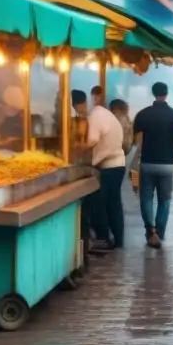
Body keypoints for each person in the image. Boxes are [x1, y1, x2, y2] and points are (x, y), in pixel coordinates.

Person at [129, 82, 173, 249]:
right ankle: (160, 231)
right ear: (166, 94)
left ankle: (150, 231)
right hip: (166, 165)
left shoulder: (143, 115)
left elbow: (138, 142)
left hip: (148, 163)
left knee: (146, 198)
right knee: (165, 199)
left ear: (153, 93)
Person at [73, 89, 126, 250]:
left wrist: (76, 150)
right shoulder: (103, 113)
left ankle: (103, 239)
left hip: (109, 165)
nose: (79, 112)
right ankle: (118, 239)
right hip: (118, 163)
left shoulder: (95, 116)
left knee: (99, 204)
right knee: (113, 204)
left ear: (80, 104)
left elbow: (92, 140)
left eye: (78, 108)